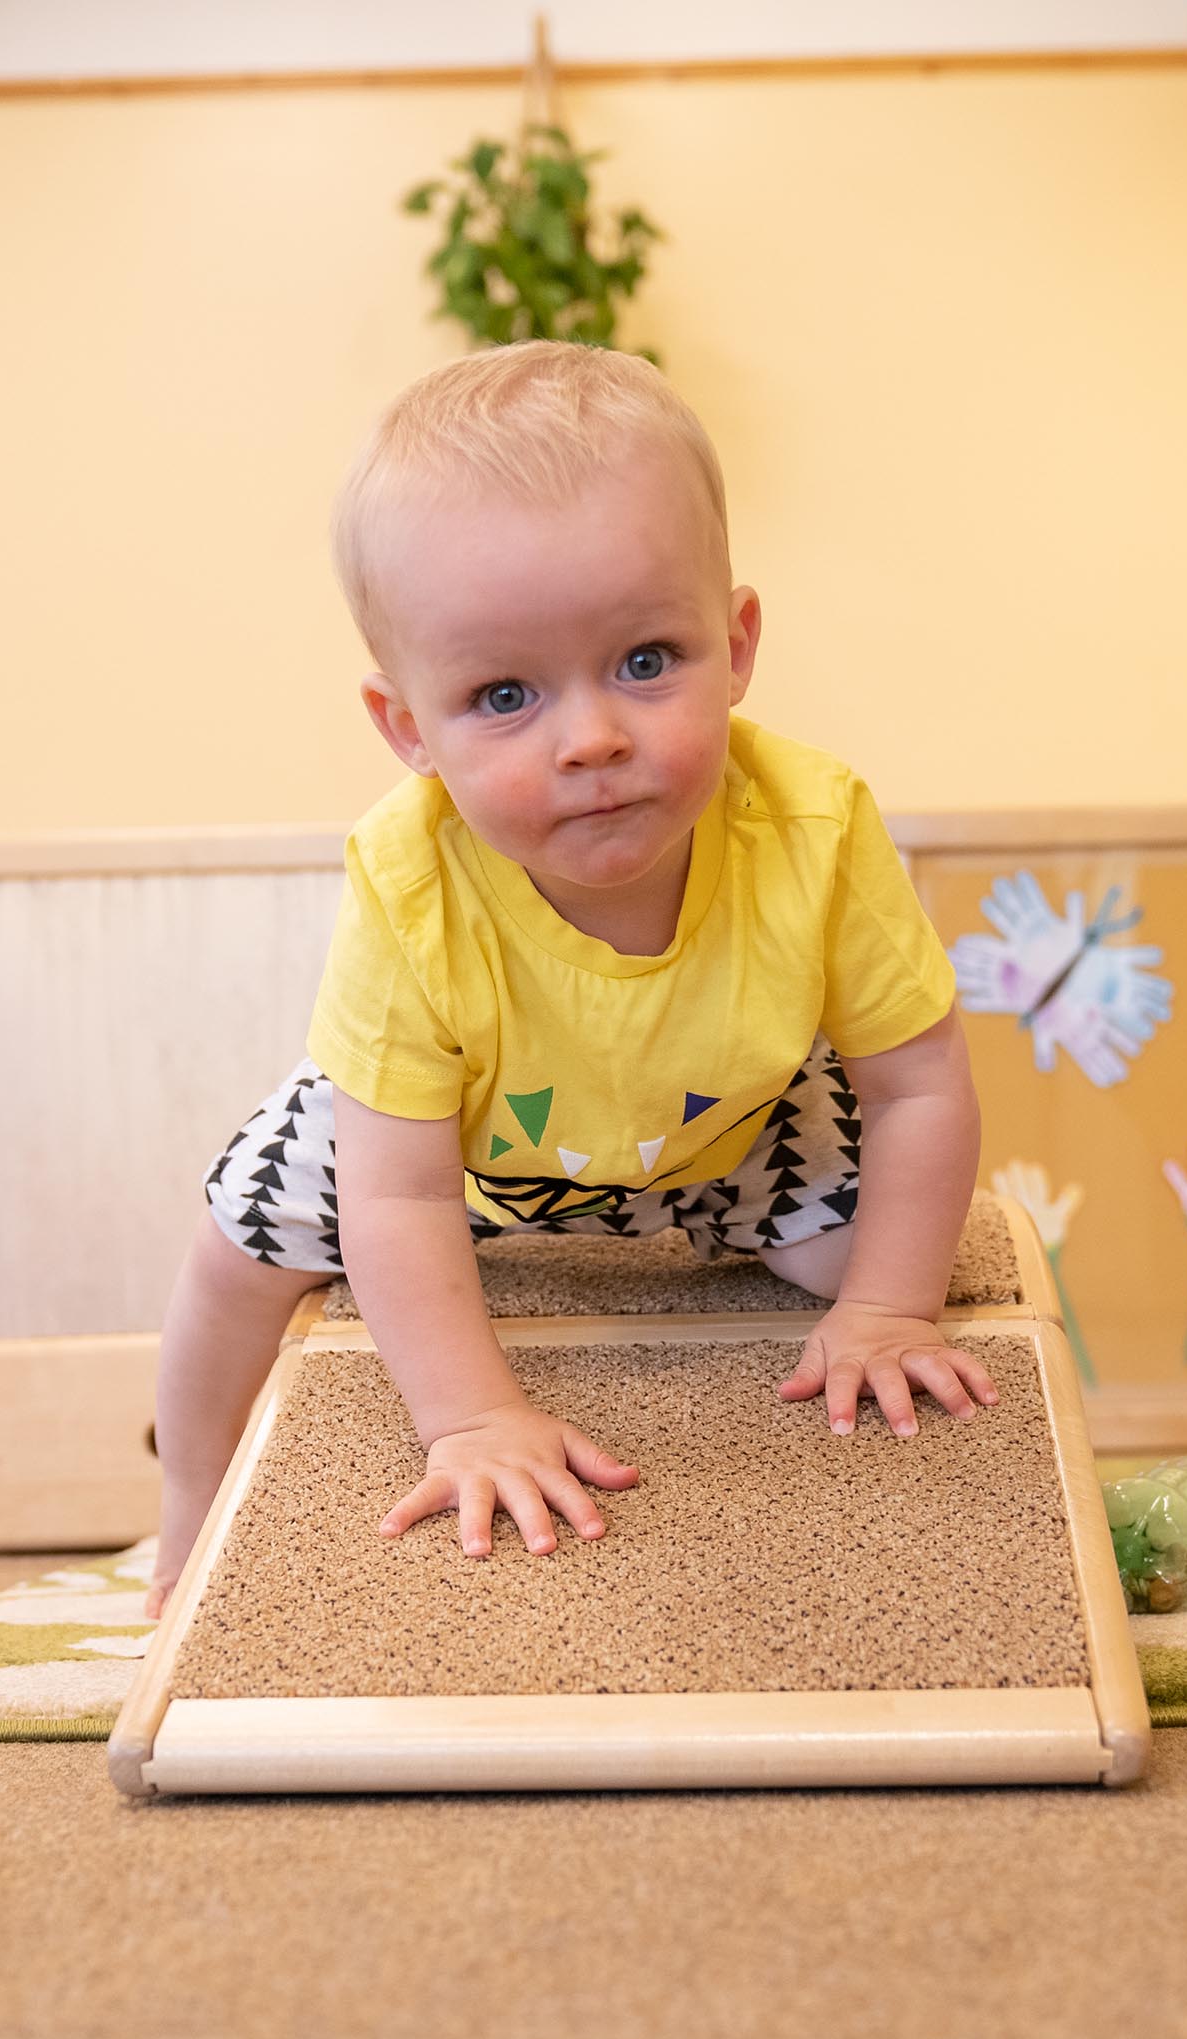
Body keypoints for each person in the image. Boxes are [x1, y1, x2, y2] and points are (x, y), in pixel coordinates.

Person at [146, 341, 993, 1616]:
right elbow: (396, 1197)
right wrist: (471, 1417)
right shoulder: (406, 875)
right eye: (503, 694)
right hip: (443, 1136)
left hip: (732, 1117)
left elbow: (921, 1085)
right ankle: (192, 1511)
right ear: (408, 730)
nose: (594, 736)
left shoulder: (814, 825)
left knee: (881, 1262)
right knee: (233, 1252)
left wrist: (887, 1309)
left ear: (737, 641)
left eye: (647, 660)